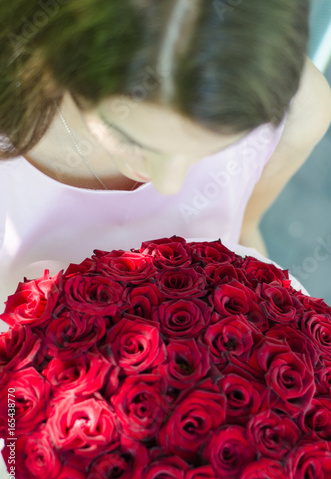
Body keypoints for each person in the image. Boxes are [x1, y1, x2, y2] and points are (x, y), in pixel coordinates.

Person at [0, 0, 330, 318]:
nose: (169, 183)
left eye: (213, 147)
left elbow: (244, 228)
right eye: (129, 139)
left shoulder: (299, 110)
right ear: (61, 59)